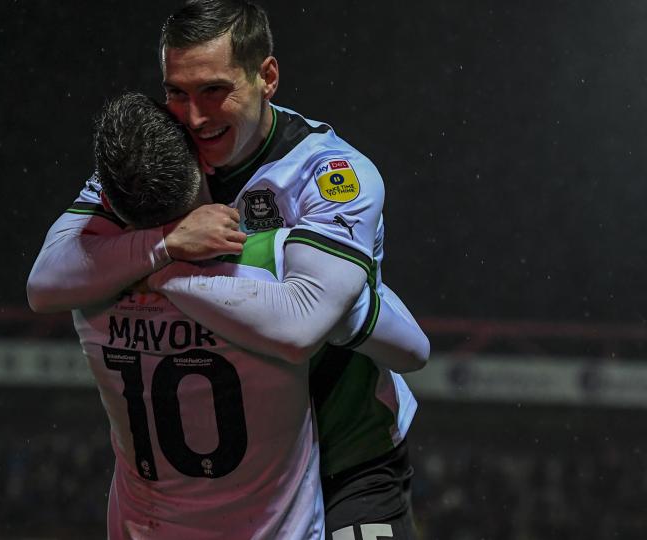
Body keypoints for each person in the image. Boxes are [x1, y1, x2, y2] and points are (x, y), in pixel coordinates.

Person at [28, 1, 427, 536]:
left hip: (349, 446)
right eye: (177, 92)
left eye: (214, 90)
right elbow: (46, 279)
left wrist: (156, 266)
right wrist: (168, 243)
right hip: (250, 472)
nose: (194, 117)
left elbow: (305, 327)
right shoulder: (160, 162)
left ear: (267, 76)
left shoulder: (332, 173)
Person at [81, 91, 325, 539]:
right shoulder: (270, 263)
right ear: (203, 167)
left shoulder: (89, 290)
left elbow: (44, 283)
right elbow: (411, 347)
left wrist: (160, 267)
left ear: (110, 204)